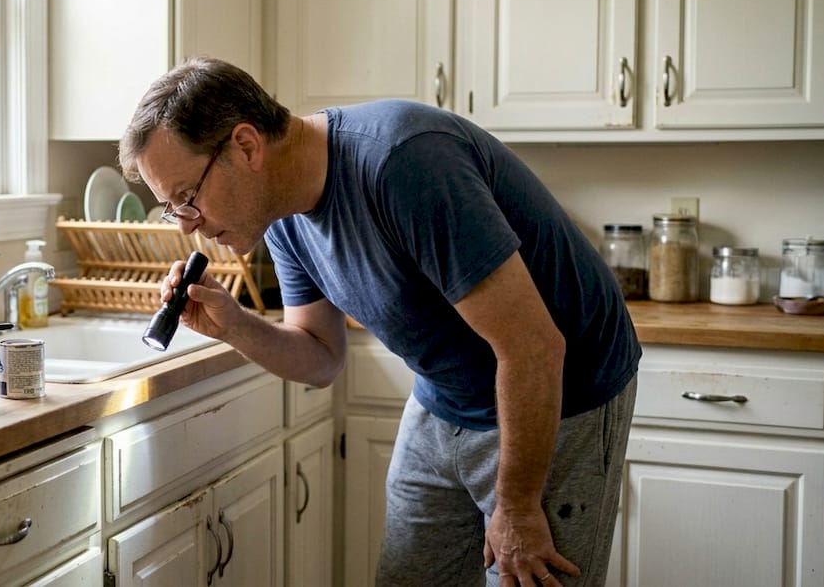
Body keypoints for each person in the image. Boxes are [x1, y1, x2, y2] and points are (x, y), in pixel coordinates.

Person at [118, 57, 641, 587]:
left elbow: (532, 348)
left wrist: (520, 507)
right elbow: (320, 355)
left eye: (187, 199)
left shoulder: (403, 165)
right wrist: (233, 324)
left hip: (557, 395)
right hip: (446, 395)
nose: (188, 228)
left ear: (246, 146)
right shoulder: (281, 217)